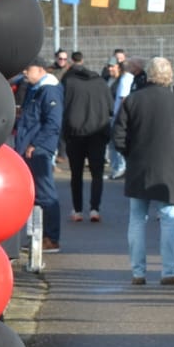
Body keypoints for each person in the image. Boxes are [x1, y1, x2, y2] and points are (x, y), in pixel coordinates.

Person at [113, 57, 174, 286]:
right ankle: (168, 271)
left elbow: (118, 136)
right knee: (169, 220)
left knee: (137, 220)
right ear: (169, 75)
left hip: (139, 167)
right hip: (169, 168)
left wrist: (130, 156)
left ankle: (138, 272)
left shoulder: (132, 100)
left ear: (148, 74)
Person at [13, 55, 63, 252]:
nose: (25, 73)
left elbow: (53, 123)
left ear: (41, 70)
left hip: (38, 149)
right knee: (36, 195)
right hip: (29, 147)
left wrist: (36, 144)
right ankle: (38, 238)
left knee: (45, 194)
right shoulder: (36, 89)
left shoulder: (49, 91)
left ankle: (51, 238)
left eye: (28, 69)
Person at [60, 51, 114, 223]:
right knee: (97, 174)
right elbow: (111, 109)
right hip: (97, 133)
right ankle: (94, 209)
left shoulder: (68, 82)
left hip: (75, 134)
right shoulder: (101, 83)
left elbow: (62, 107)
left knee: (76, 174)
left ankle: (77, 210)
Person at [108, 52, 137, 179]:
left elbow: (124, 99)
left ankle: (120, 168)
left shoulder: (126, 79)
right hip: (116, 115)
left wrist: (120, 117)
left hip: (119, 116)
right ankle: (117, 168)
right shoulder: (119, 79)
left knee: (117, 143)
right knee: (113, 144)